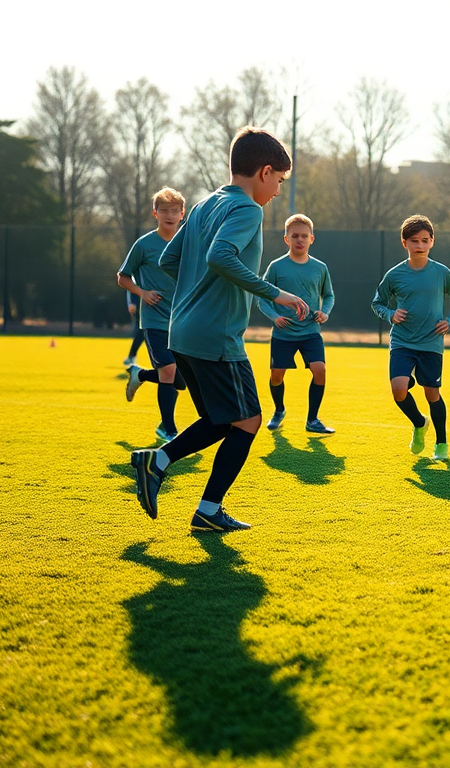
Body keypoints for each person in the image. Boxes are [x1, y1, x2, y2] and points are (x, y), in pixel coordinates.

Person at [129, 126, 309, 533]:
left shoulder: (205, 205)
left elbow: (170, 261)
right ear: (264, 172)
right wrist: (274, 293)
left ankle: (158, 464)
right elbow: (221, 256)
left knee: (221, 418)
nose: (278, 191)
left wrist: (197, 292)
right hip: (216, 336)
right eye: (279, 181)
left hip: (182, 332)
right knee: (248, 420)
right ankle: (205, 506)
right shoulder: (247, 209)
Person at [372, 214, 450, 460]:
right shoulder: (394, 275)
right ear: (404, 243)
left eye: (425, 240)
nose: (420, 246)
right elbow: (377, 303)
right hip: (402, 341)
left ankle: (442, 443)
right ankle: (418, 422)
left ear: (432, 241)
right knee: (399, 390)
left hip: (431, 343)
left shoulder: (441, 272)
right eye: (414, 241)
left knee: (431, 394)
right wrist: (390, 314)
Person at [118, 187, 187, 442]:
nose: (169, 215)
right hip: (155, 320)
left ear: (182, 213)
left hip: (183, 321)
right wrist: (143, 293)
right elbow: (122, 277)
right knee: (168, 372)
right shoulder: (144, 245)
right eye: (163, 210)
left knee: (182, 382)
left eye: (174, 211)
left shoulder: (189, 244)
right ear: (154, 213)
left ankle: (141, 375)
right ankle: (168, 429)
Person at [259, 214, 336, 434]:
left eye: (304, 236)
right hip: (283, 334)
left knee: (319, 370)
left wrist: (325, 312)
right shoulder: (276, 267)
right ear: (286, 239)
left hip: (311, 331)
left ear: (312, 238)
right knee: (277, 375)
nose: (299, 239)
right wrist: (275, 317)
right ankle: (279, 410)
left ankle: (312, 420)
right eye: (295, 236)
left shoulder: (320, 268)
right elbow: (262, 297)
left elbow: (329, 295)